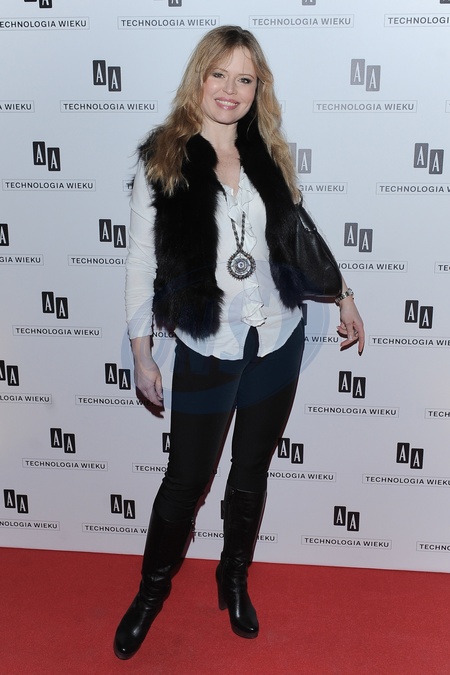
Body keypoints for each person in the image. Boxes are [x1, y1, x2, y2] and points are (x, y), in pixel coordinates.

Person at [113, 25, 364, 660]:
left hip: (278, 336)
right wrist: (141, 352)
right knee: (186, 479)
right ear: (199, 78)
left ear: (258, 88)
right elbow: (140, 262)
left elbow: (297, 234)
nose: (231, 89)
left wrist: (342, 293)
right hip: (209, 342)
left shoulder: (268, 151)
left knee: (251, 469)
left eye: (245, 78)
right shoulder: (163, 159)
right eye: (219, 74)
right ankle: (150, 593)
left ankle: (233, 577)